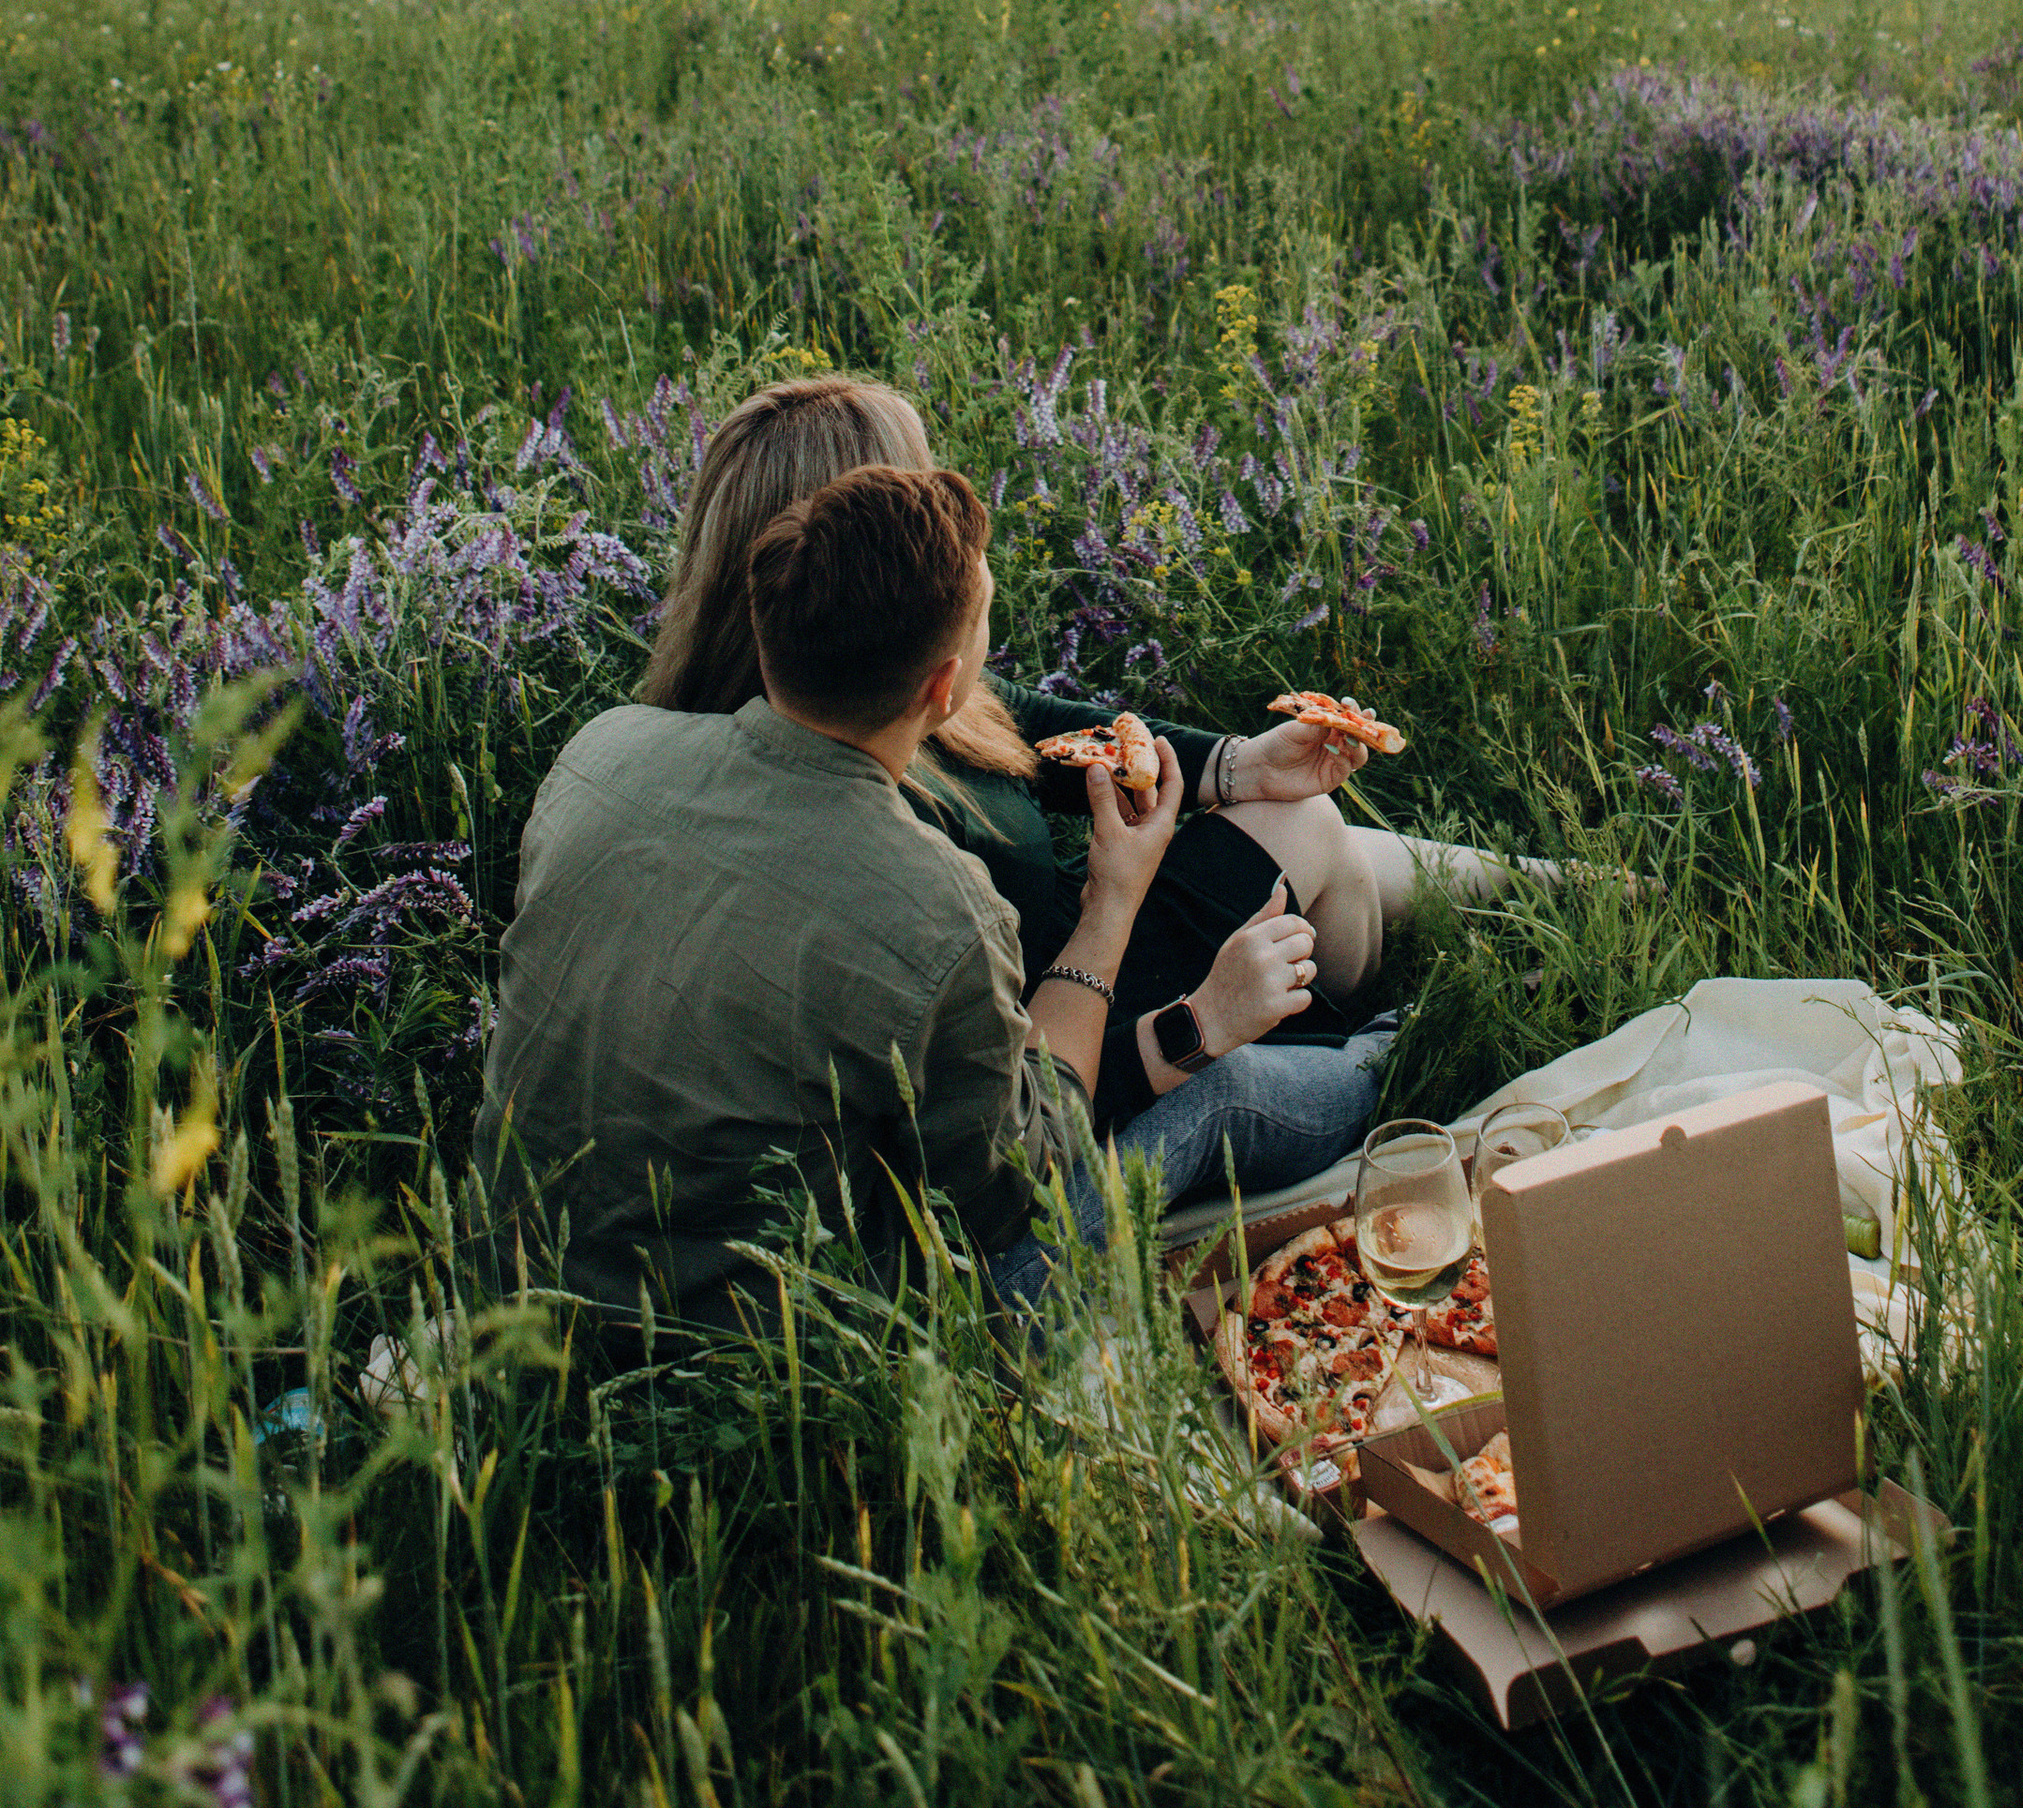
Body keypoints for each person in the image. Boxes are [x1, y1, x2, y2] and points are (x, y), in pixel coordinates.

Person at [475, 460, 1388, 1327]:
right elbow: (1027, 1176)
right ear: (946, 686)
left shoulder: (602, 753)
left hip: (525, 1293)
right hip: (778, 1365)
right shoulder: (934, 903)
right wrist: (1114, 899)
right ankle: (1401, 1059)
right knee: (1229, 1089)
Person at [640, 374, 1537, 1128]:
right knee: (1312, 833)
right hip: (1068, 1003)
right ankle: (1381, 1025)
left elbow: (1007, 715)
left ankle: (1570, 896)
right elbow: (1006, 1107)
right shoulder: (861, 824)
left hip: (1079, 938)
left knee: (1308, 820)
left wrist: (1235, 763)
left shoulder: (845, 685)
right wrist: (1178, 992)